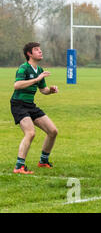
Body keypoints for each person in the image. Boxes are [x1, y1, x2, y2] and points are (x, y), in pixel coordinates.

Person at [10, 42, 59, 174]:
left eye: (40, 49)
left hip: (30, 105)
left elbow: (43, 90)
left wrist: (51, 90)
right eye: (36, 50)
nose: (40, 51)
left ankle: (43, 161)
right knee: (30, 133)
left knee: (53, 131)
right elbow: (17, 85)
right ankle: (19, 167)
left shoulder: (40, 70)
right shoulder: (23, 68)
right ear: (29, 54)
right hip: (18, 104)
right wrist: (37, 79)